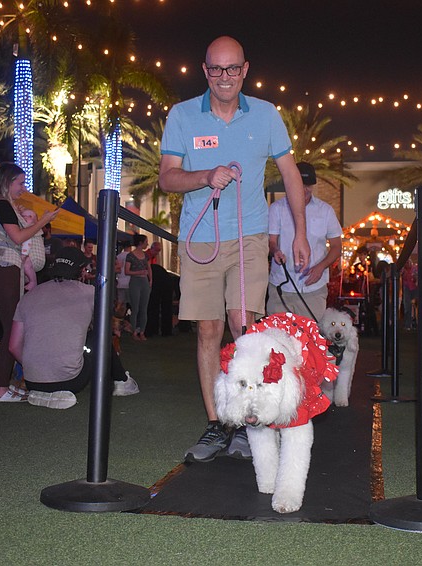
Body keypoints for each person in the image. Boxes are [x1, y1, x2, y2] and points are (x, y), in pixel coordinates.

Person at [159, 36, 309, 463]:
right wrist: (205, 175)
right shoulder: (183, 115)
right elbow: (166, 178)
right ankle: (217, 424)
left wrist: (299, 231)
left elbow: (290, 173)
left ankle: (247, 424)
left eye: (232, 69)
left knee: (244, 328)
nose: (224, 77)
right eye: (216, 69)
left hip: (250, 236)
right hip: (200, 237)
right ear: (205, 71)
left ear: (245, 70)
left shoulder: (265, 115)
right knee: (208, 330)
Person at [8, 247, 139, 409]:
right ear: (82, 270)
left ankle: (43, 389)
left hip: (32, 380)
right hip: (71, 380)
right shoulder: (90, 292)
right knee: (96, 337)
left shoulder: (29, 296)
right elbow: (104, 329)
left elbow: (13, 346)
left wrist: (39, 367)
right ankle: (122, 382)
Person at [0, 162, 58, 402]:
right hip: (6, 270)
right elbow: (18, 237)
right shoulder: (1, 205)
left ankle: (6, 384)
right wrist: (42, 221)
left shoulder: (1, 205)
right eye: (20, 183)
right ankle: (2, 388)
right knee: (11, 332)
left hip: (5, 270)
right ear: (6, 182)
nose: (23, 189)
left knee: (11, 330)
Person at [267, 161, 342, 320]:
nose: (305, 189)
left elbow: (336, 246)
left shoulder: (326, 211)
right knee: (277, 338)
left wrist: (321, 267)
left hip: (313, 288)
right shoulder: (276, 209)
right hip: (281, 285)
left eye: (309, 185)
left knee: (312, 339)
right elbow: (271, 241)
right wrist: (275, 251)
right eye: (301, 184)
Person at [125, 234, 152, 341]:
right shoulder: (130, 256)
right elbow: (127, 271)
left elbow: (149, 268)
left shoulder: (146, 255)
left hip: (144, 281)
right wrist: (139, 272)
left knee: (143, 308)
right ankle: (134, 331)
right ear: (141, 243)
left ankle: (142, 331)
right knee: (135, 307)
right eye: (146, 242)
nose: (147, 244)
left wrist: (150, 280)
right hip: (135, 281)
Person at [17, 208, 46, 292]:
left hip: (36, 259)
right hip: (30, 258)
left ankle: (33, 282)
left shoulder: (34, 229)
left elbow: (26, 240)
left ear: (36, 221)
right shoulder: (24, 230)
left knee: (26, 263)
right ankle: (28, 281)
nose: (26, 217)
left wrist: (17, 213)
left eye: (30, 216)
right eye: (23, 216)